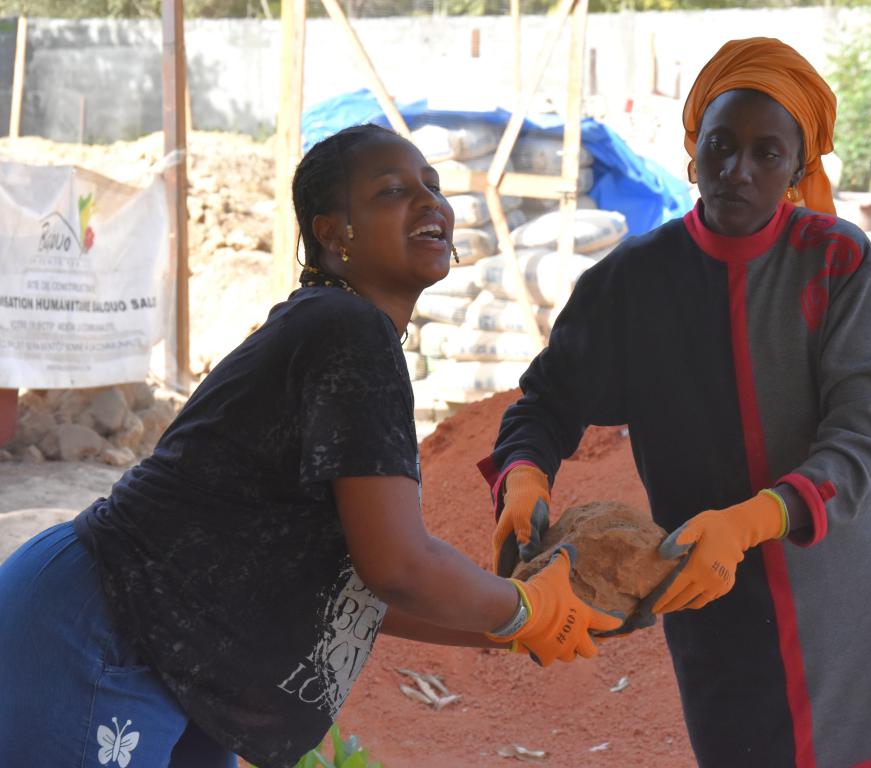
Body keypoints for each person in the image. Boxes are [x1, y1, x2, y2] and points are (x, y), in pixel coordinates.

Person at [0, 123, 621, 768]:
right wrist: (525, 609)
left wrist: (519, 628)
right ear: (332, 232)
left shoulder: (342, 332)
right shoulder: (346, 332)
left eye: (434, 187)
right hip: (102, 628)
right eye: (392, 191)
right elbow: (399, 567)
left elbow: (359, 591)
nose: (431, 203)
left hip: (168, 645)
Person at [481, 38, 871, 767]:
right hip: (717, 602)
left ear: (799, 169)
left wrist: (751, 522)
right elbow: (547, 401)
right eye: (721, 146)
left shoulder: (837, 262)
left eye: (767, 153)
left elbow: (863, 438)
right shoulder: (635, 282)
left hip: (853, 599)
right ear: (692, 152)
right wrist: (524, 476)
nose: (738, 170)